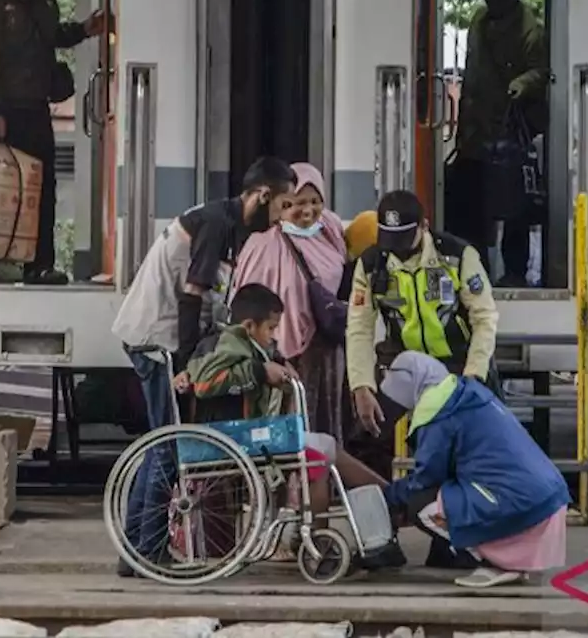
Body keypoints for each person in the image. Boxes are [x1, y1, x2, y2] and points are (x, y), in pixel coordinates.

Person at [110, 156, 298, 577]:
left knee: (163, 444)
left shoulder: (229, 226)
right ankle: (142, 550)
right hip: (156, 338)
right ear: (263, 195)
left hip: (163, 337)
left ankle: (137, 551)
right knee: (167, 446)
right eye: (284, 205)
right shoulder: (215, 223)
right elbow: (192, 296)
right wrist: (193, 363)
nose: (285, 216)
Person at [179, 283, 405, 570]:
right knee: (318, 457)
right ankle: (326, 539)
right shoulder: (227, 343)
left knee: (325, 446)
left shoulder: (244, 345)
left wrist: (276, 365)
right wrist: (260, 372)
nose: (274, 336)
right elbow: (204, 383)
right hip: (232, 437)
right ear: (249, 326)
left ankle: (392, 498)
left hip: (247, 434)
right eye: (271, 329)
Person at [345, 189, 500, 569]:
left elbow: (485, 319)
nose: (397, 250)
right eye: (389, 241)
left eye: (405, 241)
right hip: (403, 363)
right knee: (364, 442)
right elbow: (359, 328)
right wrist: (361, 387)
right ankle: (378, 539)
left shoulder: (458, 256)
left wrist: (474, 378)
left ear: (425, 227)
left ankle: (456, 542)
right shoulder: (372, 263)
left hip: (459, 365)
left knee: (464, 453)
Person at [380, 351, 569, 588]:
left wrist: (387, 496)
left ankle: (496, 562)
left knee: (420, 503)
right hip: (548, 499)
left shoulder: (438, 414)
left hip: (522, 505)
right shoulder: (468, 393)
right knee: (444, 493)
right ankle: (515, 561)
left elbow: (426, 479)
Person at [0, 0, 110, 285]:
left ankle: (39, 264)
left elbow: (53, 35)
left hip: (37, 108)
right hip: (5, 110)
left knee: (42, 186)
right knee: (3, 184)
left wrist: (85, 30)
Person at [446, 0, 550, 287]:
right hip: (476, 129)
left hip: (510, 131)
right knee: (470, 201)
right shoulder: (478, 20)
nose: (495, 2)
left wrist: (522, 83)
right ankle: (475, 268)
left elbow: (542, 71)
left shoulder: (531, 30)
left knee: (514, 204)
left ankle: (515, 273)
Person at [231, 163, 348, 442]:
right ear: (283, 204)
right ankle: (296, 486)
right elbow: (247, 297)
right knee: (293, 425)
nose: (308, 210)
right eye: (297, 203)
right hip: (286, 351)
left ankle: (326, 478)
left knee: (325, 424)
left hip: (327, 347)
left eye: (315, 201)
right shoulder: (263, 243)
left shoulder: (329, 230)